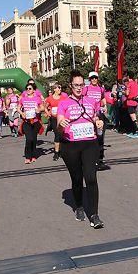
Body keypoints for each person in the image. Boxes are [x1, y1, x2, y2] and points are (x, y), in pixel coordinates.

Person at [58, 70, 105, 229]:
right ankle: (78, 206)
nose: (79, 88)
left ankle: (94, 215)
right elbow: (59, 122)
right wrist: (61, 123)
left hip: (90, 144)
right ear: (70, 86)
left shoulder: (91, 101)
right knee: (77, 178)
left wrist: (99, 123)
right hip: (71, 146)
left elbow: (96, 117)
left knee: (91, 178)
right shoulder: (64, 103)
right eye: (76, 85)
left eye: (81, 85)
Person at [83, 72, 110, 171]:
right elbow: (81, 99)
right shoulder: (86, 89)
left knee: (100, 137)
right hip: (89, 115)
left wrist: (105, 106)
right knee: (90, 137)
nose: (94, 80)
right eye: (92, 78)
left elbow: (103, 98)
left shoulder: (100, 89)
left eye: (95, 78)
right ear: (89, 79)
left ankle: (100, 160)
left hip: (99, 115)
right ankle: (89, 160)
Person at [18, 83, 44, 164]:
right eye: (27, 89)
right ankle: (27, 156)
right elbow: (18, 108)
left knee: (34, 139)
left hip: (35, 122)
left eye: (30, 88)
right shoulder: (23, 99)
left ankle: (33, 155)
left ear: (33, 90)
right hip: (26, 122)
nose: (28, 90)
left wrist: (39, 110)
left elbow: (42, 107)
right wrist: (22, 113)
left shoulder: (37, 98)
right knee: (29, 139)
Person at [45, 83, 67, 160]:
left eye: (60, 88)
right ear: (54, 89)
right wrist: (48, 113)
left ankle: (62, 151)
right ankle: (56, 152)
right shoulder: (50, 98)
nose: (60, 89)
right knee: (57, 134)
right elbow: (45, 107)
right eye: (58, 88)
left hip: (61, 118)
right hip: (54, 119)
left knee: (62, 134)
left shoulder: (63, 97)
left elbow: (67, 106)